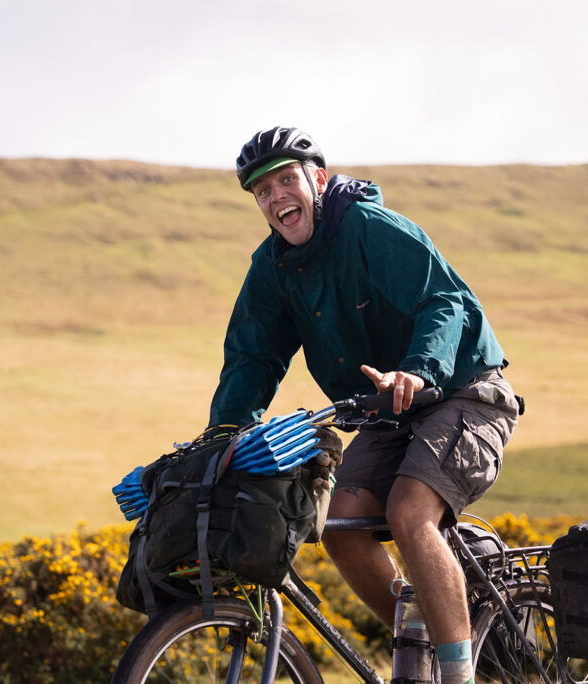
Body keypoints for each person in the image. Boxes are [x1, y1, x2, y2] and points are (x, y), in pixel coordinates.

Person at [208, 126, 521, 684]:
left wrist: (418, 370)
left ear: (318, 181)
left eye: (287, 180)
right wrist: (223, 434)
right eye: (262, 191)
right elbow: (252, 358)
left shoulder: (367, 226)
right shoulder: (273, 269)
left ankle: (457, 675)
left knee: (408, 512)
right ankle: (422, 636)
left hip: (465, 392)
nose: (277, 196)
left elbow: (444, 300)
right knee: (341, 529)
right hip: (388, 413)